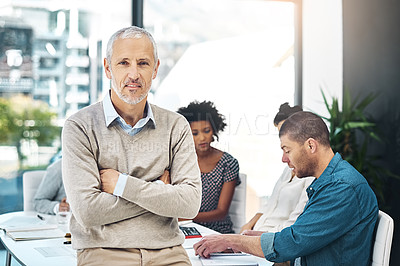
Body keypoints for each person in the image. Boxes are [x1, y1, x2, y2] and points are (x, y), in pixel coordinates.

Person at [62, 26, 202, 266]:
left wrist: (122, 184)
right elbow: (88, 212)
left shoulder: (176, 125)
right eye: (124, 63)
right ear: (107, 67)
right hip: (103, 252)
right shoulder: (79, 126)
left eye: (143, 63)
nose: (134, 74)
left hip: (168, 252)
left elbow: (189, 204)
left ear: (156, 68)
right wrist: (159, 190)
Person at [194, 111, 379, 266]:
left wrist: (232, 240)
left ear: (310, 145)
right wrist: (249, 240)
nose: (284, 159)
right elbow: (301, 233)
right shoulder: (329, 180)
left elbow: (292, 243)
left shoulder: (342, 188)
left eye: (287, 150)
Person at [241, 103, 314, 234]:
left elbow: (294, 225)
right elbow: (269, 205)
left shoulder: (311, 176)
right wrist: (248, 225)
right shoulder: (288, 168)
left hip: (270, 240)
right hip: (257, 233)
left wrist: (254, 239)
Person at [177, 100, 240, 234]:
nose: (202, 138)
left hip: (218, 232)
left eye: (206, 131)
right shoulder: (179, 161)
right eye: (195, 133)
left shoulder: (228, 163)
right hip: (184, 229)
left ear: (215, 130)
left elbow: (221, 212)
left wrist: (184, 218)